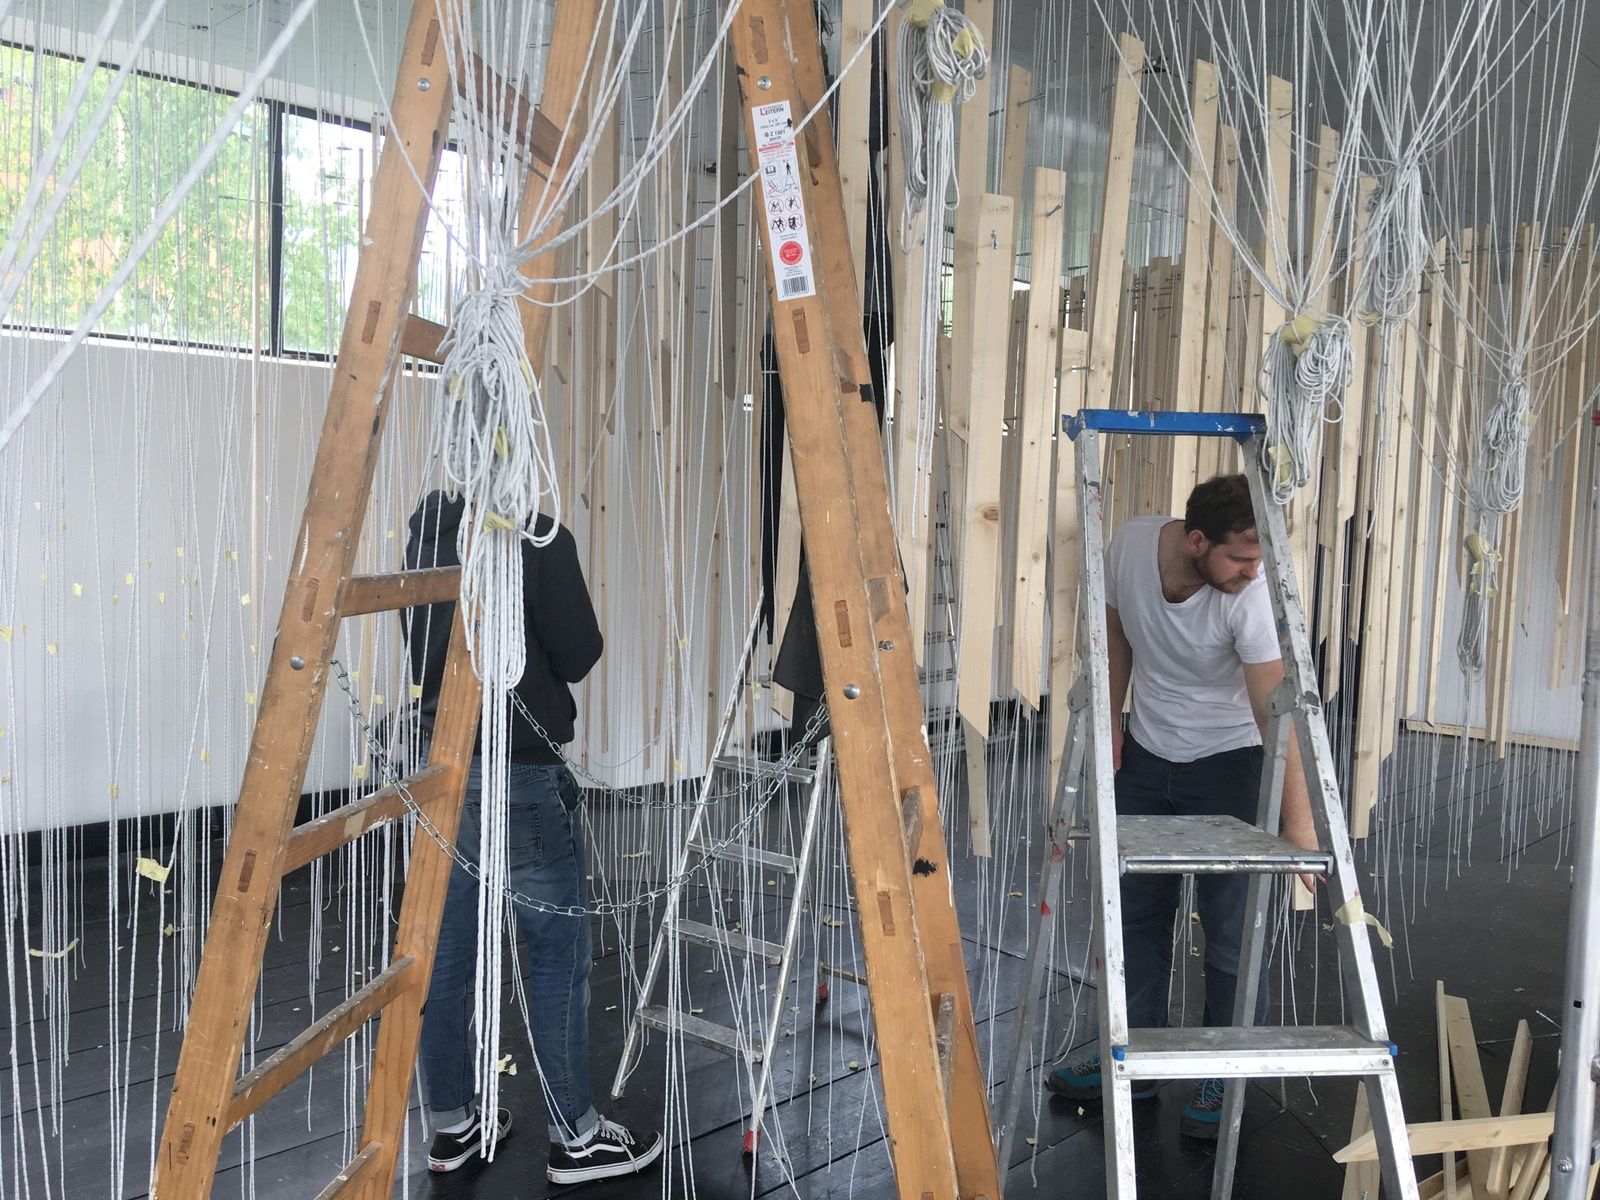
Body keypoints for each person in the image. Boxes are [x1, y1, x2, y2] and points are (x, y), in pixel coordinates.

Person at [1046, 474, 1318, 1140]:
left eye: (1258, 560)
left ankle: (1224, 1072)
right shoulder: (1130, 547)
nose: (1253, 572)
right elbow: (1113, 631)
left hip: (1231, 764)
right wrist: (1110, 722)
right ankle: (1134, 1060)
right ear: (1197, 542)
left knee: (1230, 932)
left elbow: (1274, 712)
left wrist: (1300, 828)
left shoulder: (1251, 600)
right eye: (1241, 558)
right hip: (1146, 755)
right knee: (1135, 921)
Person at [404, 490, 663, 1184]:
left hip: (441, 769)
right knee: (554, 955)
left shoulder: (427, 528)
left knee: (445, 955)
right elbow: (578, 653)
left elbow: (421, 654)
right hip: (520, 772)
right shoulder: (538, 536)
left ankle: (453, 1124)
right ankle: (576, 1137)